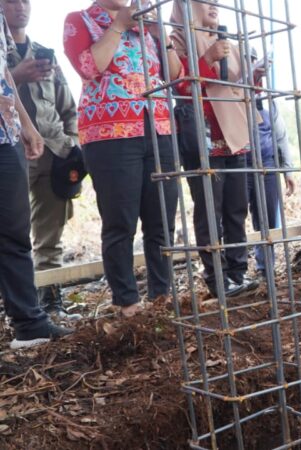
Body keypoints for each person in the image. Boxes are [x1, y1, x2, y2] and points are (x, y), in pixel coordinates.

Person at [63, 0, 182, 317]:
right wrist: (118, 26)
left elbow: (175, 75)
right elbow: (88, 67)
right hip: (110, 136)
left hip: (158, 129)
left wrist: (162, 35)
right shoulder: (81, 20)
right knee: (120, 223)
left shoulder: (147, 24)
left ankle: (161, 297)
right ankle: (127, 303)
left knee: (162, 221)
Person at [170, 0, 259, 298]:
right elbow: (179, 84)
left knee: (237, 206)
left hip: (232, 133)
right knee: (210, 208)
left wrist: (255, 75)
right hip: (202, 133)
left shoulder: (225, 40)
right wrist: (206, 58)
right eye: (203, 2)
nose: (213, 6)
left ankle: (238, 272)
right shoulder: (176, 40)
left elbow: (235, 82)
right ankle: (217, 278)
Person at [0, 3, 73, 348]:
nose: (19, 7)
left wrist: (29, 128)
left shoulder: (22, 41)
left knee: (19, 231)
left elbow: (5, 80)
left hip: (14, 137)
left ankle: (32, 320)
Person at [247, 51, 296, 277]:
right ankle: (234, 274)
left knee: (267, 218)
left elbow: (280, 135)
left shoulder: (266, 100)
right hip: (239, 163)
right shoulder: (228, 95)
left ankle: (265, 267)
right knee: (234, 218)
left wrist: (287, 169)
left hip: (267, 164)